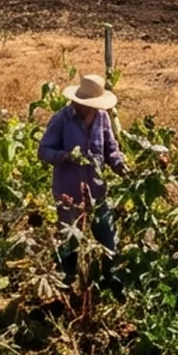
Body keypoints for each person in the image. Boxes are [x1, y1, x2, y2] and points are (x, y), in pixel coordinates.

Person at [37, 73, 126, 280]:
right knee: (70, 242)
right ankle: (66, 284)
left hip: (96, 191)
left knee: (108, 240)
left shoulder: (102, 118)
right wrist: (65, 156)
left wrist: (120, 164)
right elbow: (43, 151)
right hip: (69, 192)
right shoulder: (62, 119)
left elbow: (111, 149)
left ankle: (109, 282)